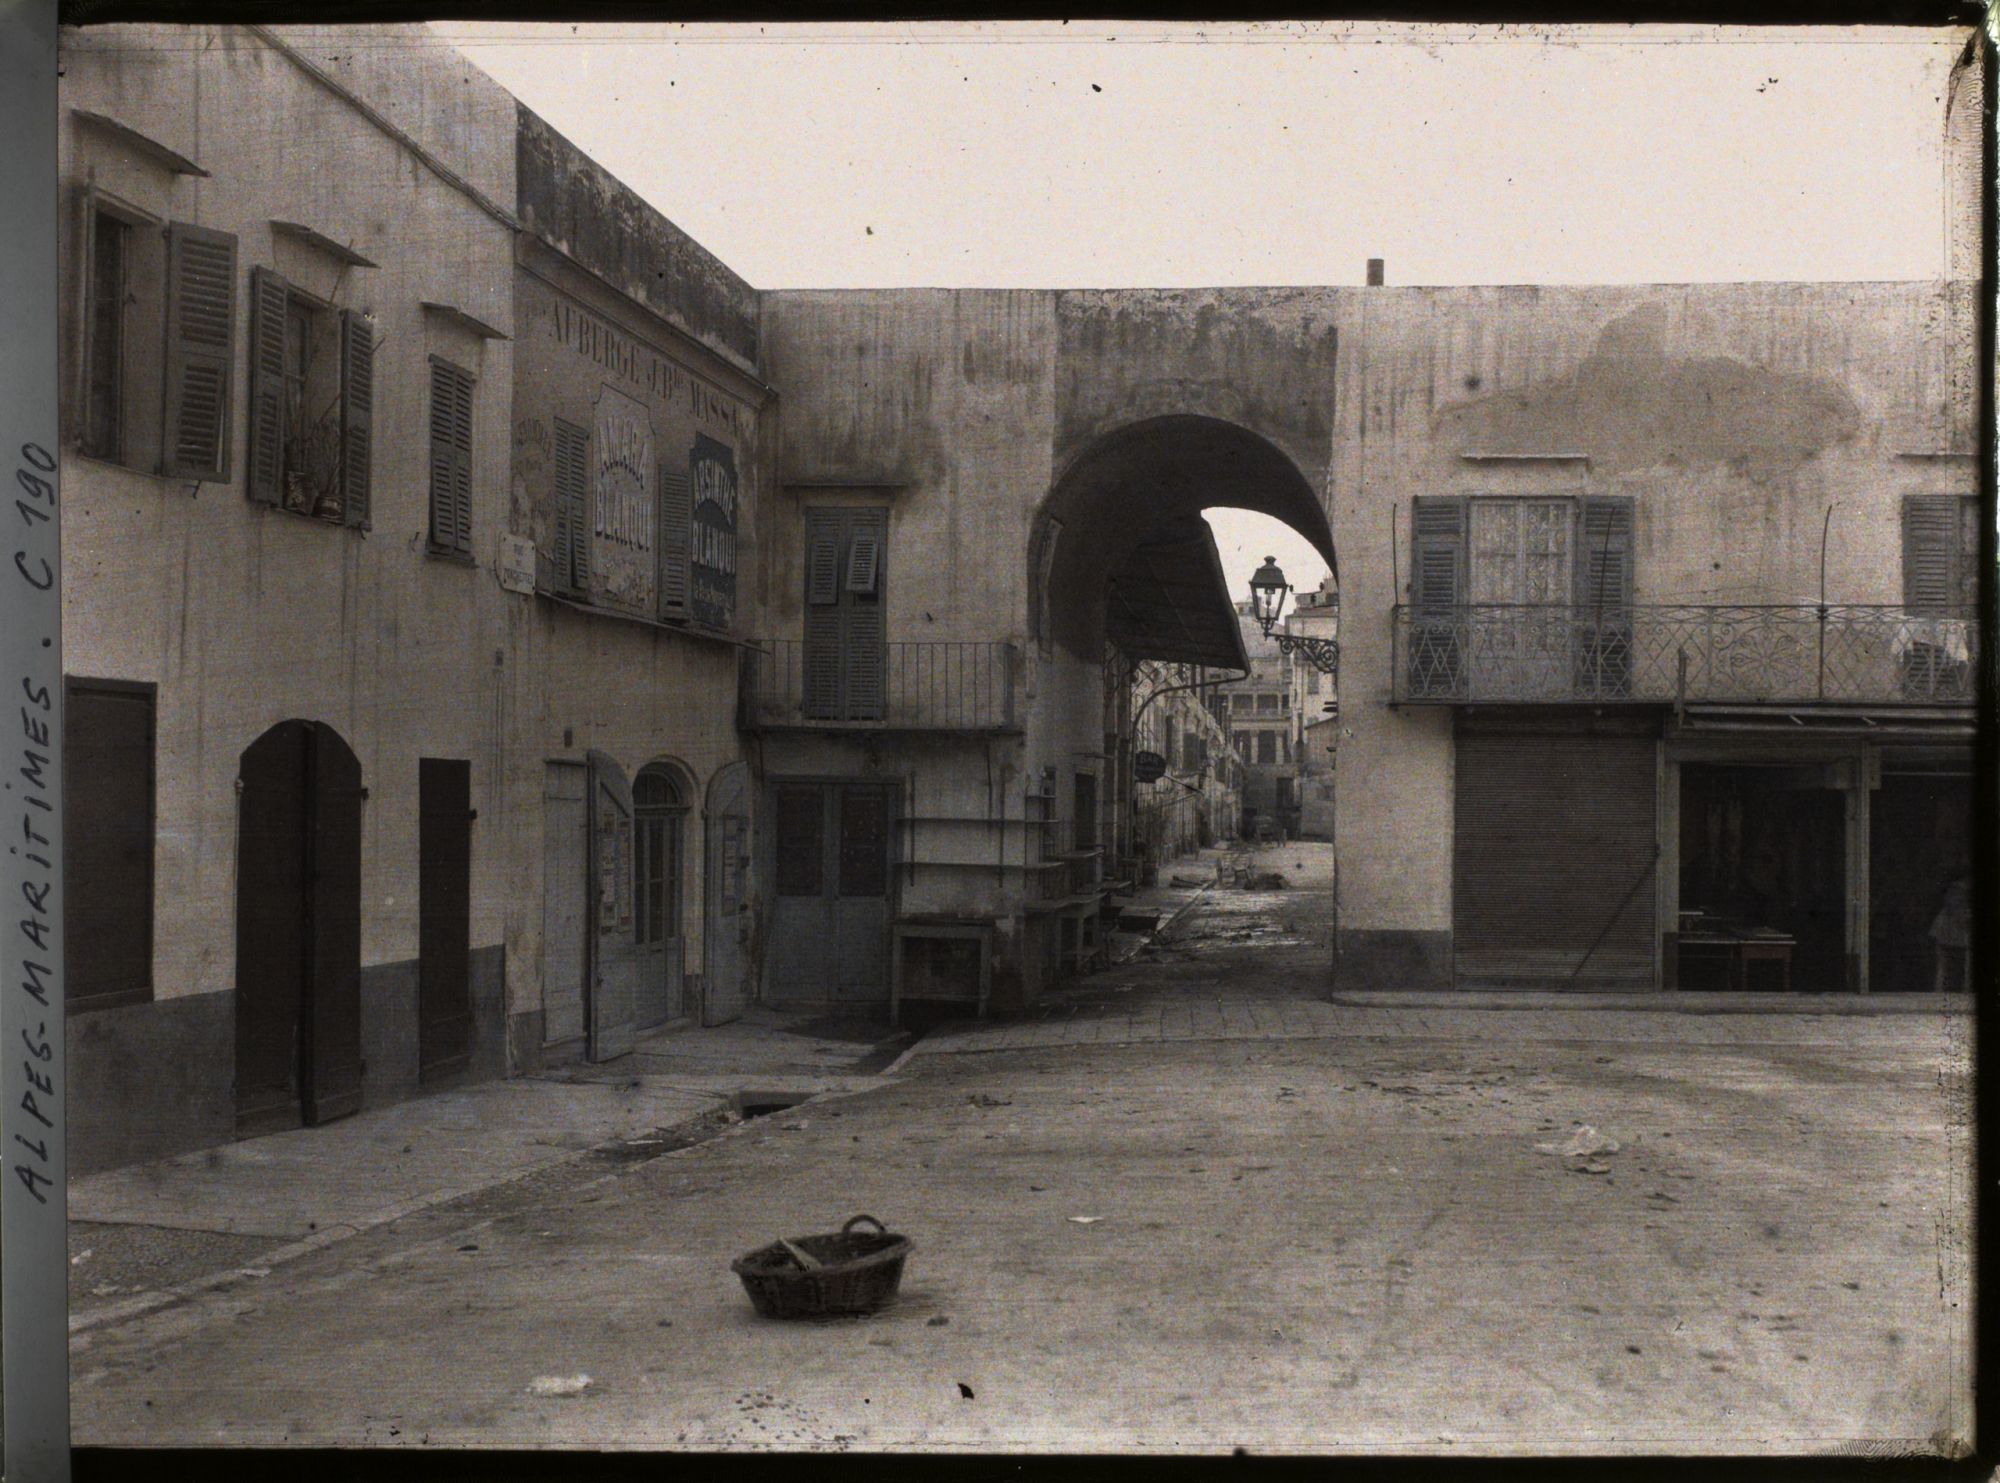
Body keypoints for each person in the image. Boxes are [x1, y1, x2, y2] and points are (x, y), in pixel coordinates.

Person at [1930, 875, 1971, 994]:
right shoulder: (1945, 914)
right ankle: (1939, 992)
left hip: (1961, 934)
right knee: (1943, 966)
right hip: (1947, 932)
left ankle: (1964, 990)